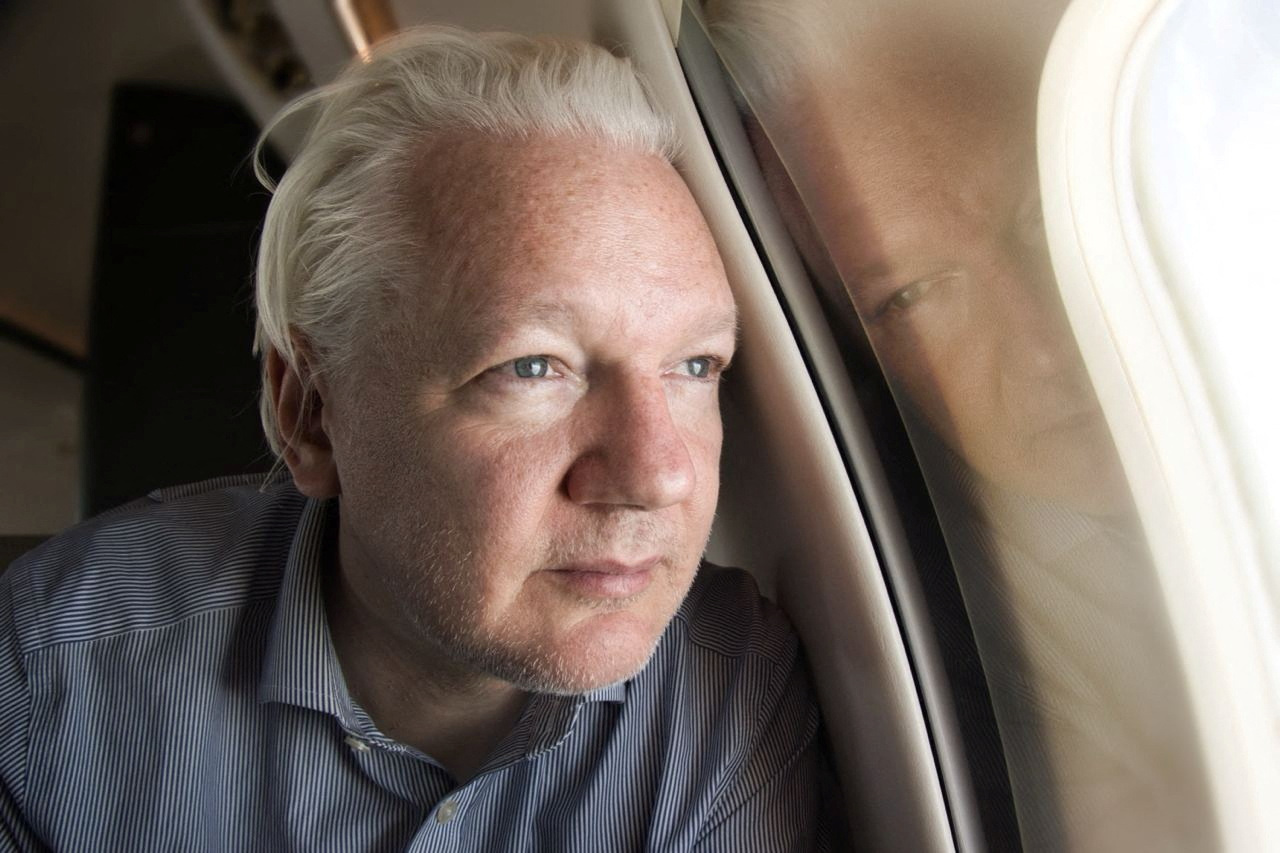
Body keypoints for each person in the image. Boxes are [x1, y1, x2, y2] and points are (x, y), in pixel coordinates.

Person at [0, 26, 829, 850]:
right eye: (534, 366)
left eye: (694, 364)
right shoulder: (47, 680)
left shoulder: (738, 689)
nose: (658, 475)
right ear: (311, 414)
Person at [703, 0, 1213, 849]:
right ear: (848, 341)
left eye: (1046, 217)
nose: (1045, 345)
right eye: (912, 293)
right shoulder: (936, 635)